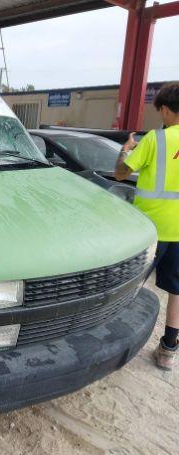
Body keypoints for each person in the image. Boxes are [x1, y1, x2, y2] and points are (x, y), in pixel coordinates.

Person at [115, 82, 179, 370]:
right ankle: (168, 350)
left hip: (150, 231)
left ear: (165, 110)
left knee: (129, 287)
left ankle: (117, 344)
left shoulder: (156, 139)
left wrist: (126, 150)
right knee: (176, 292)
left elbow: (119, 174)